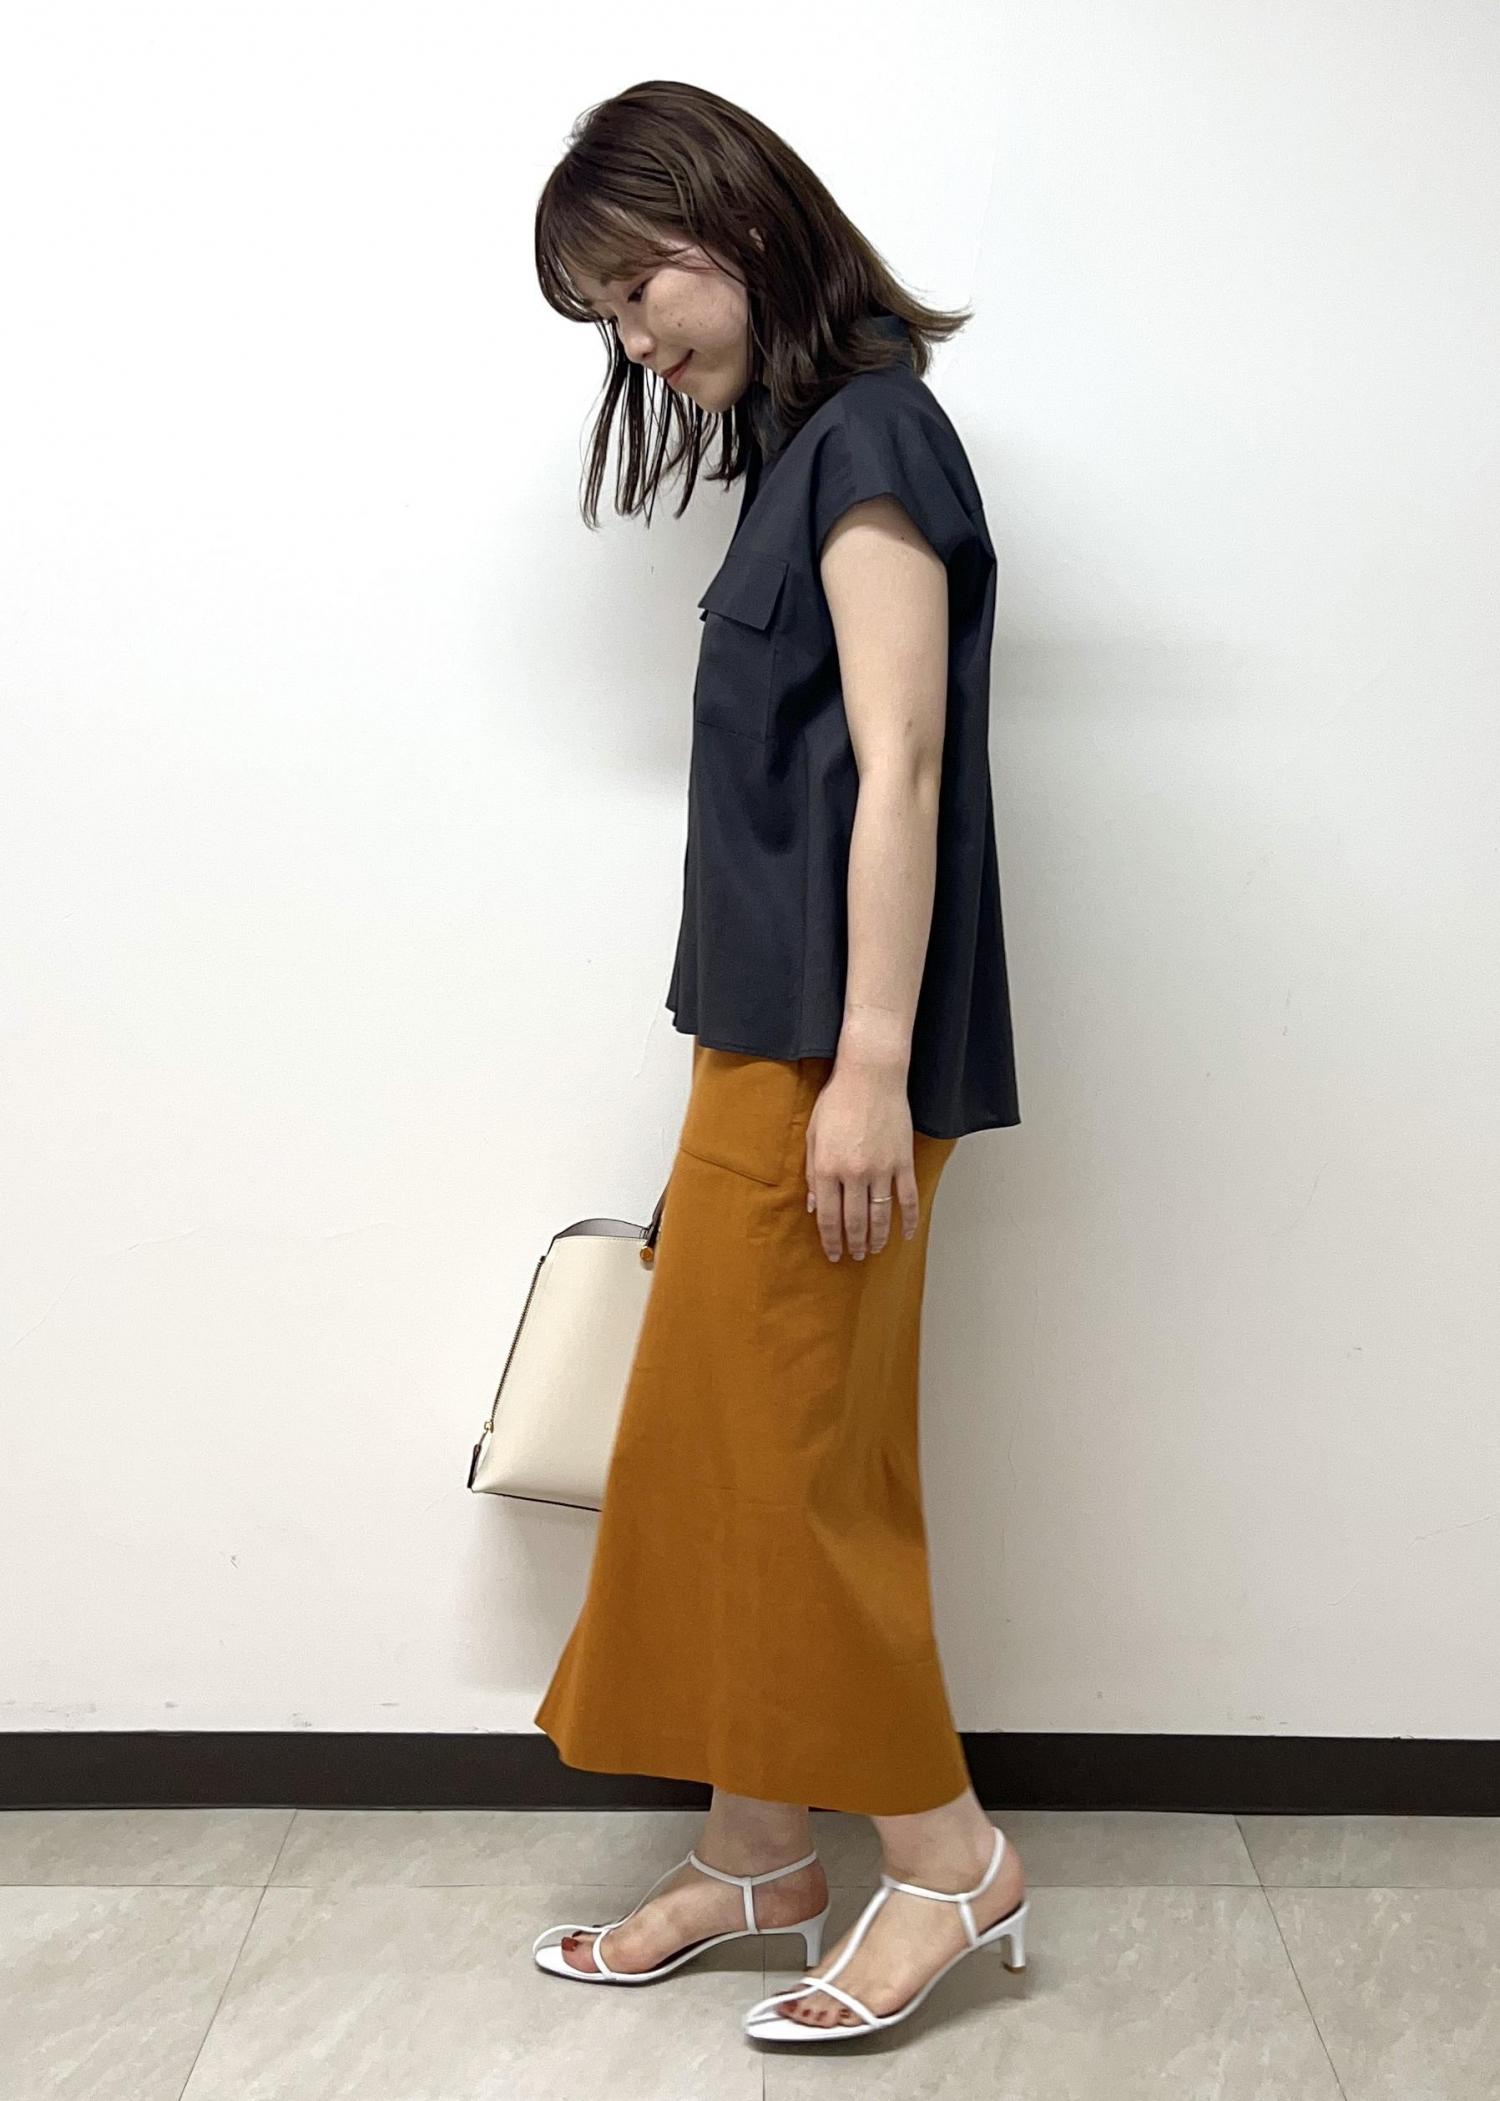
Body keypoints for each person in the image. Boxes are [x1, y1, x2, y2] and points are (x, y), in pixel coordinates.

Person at [525, 80, 1029, 2042]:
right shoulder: (802, 451)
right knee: (729, 1452)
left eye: (634, 289)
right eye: (607, 318)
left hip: (836, 1058)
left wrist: (868, 1065)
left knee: (798, 1473)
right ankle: (756, 1851)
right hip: (764, 1050)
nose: (636, 343)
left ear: (729, 220)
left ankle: (948, 1856)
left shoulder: (875, 436)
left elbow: (904, 767)